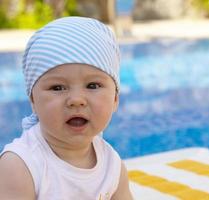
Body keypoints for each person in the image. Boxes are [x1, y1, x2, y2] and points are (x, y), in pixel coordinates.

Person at [0, 16, 133, 200]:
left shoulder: (112, 165)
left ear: (116, 98)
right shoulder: (21, 165)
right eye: (57, 88)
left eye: (93, 85)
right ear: (33, 100)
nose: (76, 100)